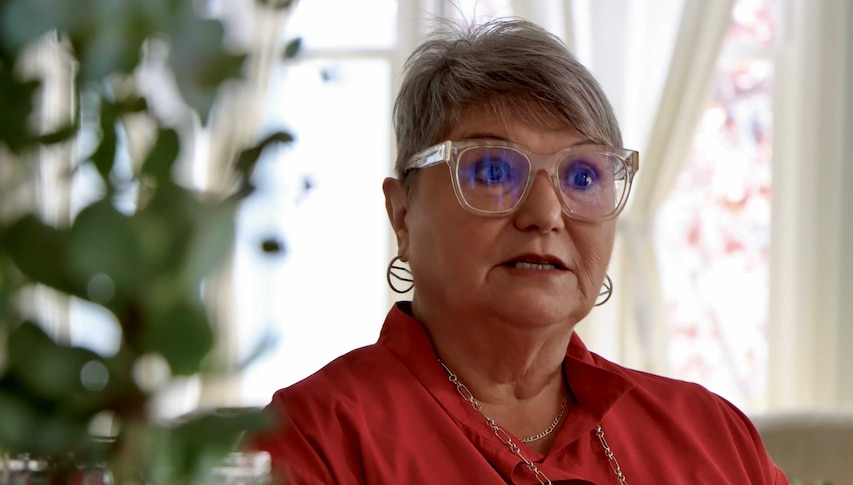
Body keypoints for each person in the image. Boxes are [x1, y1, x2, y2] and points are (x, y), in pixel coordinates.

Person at [250, 18, 790, 484]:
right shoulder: (309, 440)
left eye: (582, 174)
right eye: (492, 170)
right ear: (403, 216)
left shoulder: (712, 435)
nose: (546, 214)